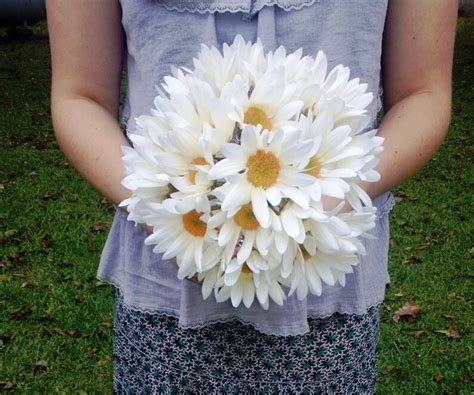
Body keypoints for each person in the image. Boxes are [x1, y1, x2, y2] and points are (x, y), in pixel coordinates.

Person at [46, 0, 457, 393]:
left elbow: (424, 92)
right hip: (167, 283)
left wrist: (332, 200)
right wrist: (166, 212)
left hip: (326, 283)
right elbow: (79, 94)